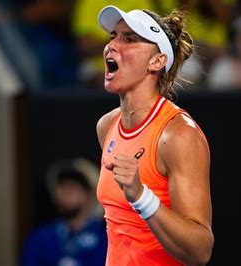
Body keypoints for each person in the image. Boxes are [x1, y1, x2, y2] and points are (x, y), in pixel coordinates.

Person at [95, 5, 214, 265]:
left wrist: (141, 196)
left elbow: (200, 250)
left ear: (157, 61)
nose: (112, 45)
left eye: (129, 39)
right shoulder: (107, 127)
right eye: (113, 36)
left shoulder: (179, 136)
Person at [20, 158, 107, 266]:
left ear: (89, 195)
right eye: (61, 187)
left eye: (72, 187)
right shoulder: (41, 237)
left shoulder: (105, 238)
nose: (64, 194)